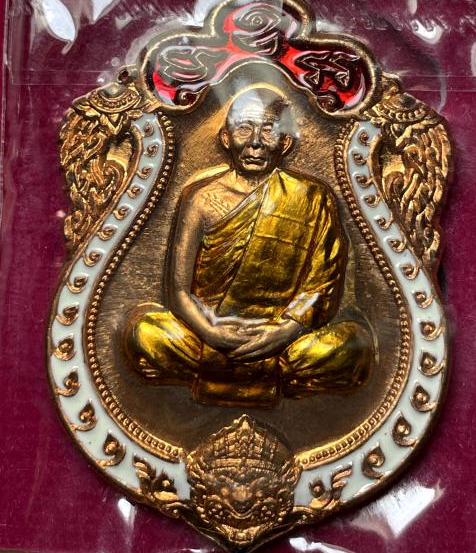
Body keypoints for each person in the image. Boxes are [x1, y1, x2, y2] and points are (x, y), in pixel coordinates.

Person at [123, 86, 372, 407]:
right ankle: (265, 373)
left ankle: (233, 370)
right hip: (206, 337)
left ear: (285, 142)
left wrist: (286, 330)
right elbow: (179, 292)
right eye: (244, 128)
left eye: (268, 130)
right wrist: (212, 332)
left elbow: (322, 285)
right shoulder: (200, 198)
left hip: (285, 341)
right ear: (226, 138)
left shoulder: (312, 196)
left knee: (353, 348)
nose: (255, 142)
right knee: (144, 335)